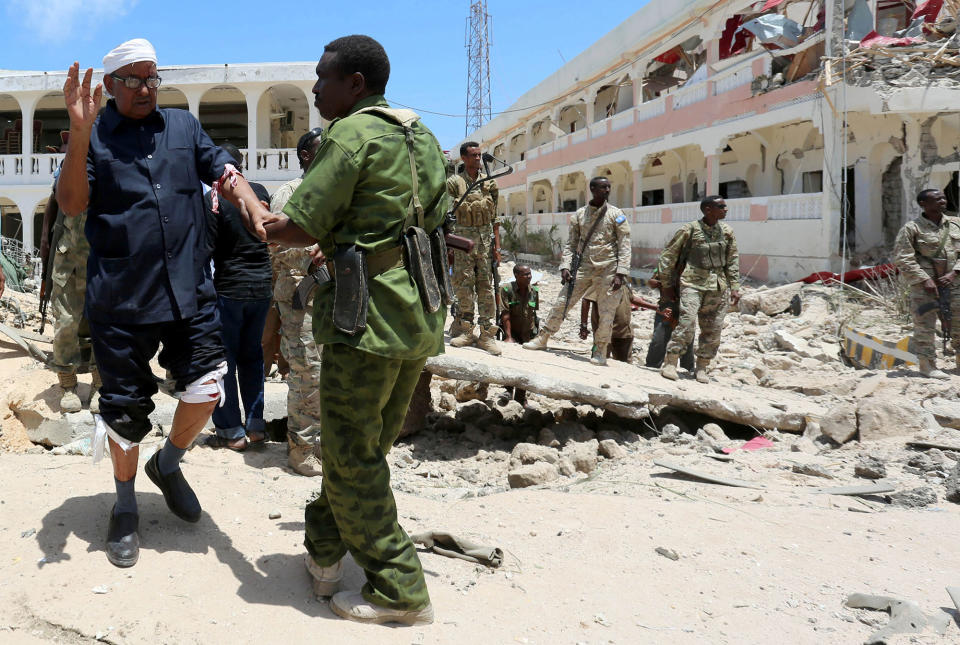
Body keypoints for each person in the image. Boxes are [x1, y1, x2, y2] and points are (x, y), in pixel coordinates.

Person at [242, 35, 442, 625]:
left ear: (355, 83)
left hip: (365, 320)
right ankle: (326, 553)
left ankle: (400, 586)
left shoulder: (350, 135)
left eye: (323, 79)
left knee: (351, 457)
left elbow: (298, 227)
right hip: (417, 314)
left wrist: (254, 214)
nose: (315, 89)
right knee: (364, 448)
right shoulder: (419, 134)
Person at [56, 38, 269, 568]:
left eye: (153, 77)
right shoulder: (95, 136)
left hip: (188, 292)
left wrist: (245, 197)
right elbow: (72, 203)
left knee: (206, 390)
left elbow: (220, 167)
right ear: (109, 87)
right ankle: (124, 507)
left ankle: (168, 464)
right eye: (134, 79)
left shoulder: (182, 127)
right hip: (121, 299)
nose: (148, 87)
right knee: (124, 413)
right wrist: (80, 132)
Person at [202, 143, 272, 450]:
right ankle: (256, 424)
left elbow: (206, 249)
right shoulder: (259, 191)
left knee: (224, 360)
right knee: (253, 356)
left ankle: (230, 429)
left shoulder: (214, 199)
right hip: (262, 288)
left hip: (229, 289)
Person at [523, 177, 631, 365]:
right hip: (584, 267)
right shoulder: (580, 215)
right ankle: (543, 337)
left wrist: (621, 273)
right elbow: (571, 244)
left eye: (608, 187)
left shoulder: (616, 214)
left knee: (607, 311)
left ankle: (600, 350)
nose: (607, 190)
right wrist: (565, 266)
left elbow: (625, 244)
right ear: (592, 189)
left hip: (609, 267)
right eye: (603, 187)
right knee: (563, 301)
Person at [268, 127, 325, 475]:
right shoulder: (288, 193)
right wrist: (311, 252)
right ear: (305, 155)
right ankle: (301, 449)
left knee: (329, 372)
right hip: (300, 295)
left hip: (332, 295)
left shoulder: (331, 193)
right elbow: (276, 245)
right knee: (306, 371)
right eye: (321, 150)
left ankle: (323, 444)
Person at [658, 195, 740, 383]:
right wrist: (667, 285)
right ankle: (671, 362)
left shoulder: (727, 232)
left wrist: (734, 286)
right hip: (692, 283)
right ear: (708, 210)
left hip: (718, 286)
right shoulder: (689, 230)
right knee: (686, 322)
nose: (725, 209)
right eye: (721, 206)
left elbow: (733, 260)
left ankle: (702, 366)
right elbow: (668, 256)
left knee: (713, 329)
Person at [41, 165, 99, 413]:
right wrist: (45, 272)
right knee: (65, 323)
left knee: (102, 325)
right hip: (67, 262)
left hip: (100, 262)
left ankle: (100, 383)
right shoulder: (66, 171)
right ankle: (67, 383)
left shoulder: (107, 168)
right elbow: (49, 221)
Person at [893, 188, 960, 379]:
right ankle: (927, 365)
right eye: (937, 199)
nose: (942, 201)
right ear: (923, 204)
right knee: (925, 325)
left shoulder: (956, 224)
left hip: (954, 284)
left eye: (943, 198)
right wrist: (924, 278)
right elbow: (902, 258)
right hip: (925, 288)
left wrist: (954, 273)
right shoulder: (912, 228)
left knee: (958, 323)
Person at [447, 141, 501, 355]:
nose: (478, 159)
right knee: (463, 285)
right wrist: (450, 245)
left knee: (486, 287)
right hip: (462, 244)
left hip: (485, 243)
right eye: (474, 156)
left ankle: (487, 334)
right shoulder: (454, 183)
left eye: (480, 155)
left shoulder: (490, 184)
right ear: (464, 158)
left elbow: (495, 218)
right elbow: (447, 217)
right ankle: (466, 331)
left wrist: (497, 247)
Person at [580, 287, 663, 362]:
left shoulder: (623, 283)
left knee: (624, 364)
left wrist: (655, 308)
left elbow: (632, 298)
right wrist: (584, 326)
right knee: (599, 361)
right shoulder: (601, 281)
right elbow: (586, 300)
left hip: (624, 333)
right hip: (603, 334)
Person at [500, 264, 539, 403]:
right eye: (525, 274)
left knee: (526, 365)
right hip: (513, 332)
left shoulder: (534, 290)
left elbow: (534, 314)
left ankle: (521, 397)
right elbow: (505, 314)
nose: (529, 277)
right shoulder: (507, 289)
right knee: (511, 363)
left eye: (530, 273)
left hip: (528, 334)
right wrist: (509, 336)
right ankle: (508, 391)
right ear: (516, 276)